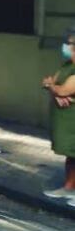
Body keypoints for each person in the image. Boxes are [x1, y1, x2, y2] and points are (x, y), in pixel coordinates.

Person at [42, 27, 75, 206]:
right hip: (67, 123)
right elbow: (49, 82)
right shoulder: (66, 65)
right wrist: (54, 90)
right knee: (71, 155)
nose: (65, 46)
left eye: (68, 43)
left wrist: (55, 89)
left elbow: (63, 89)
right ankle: (69, 187)